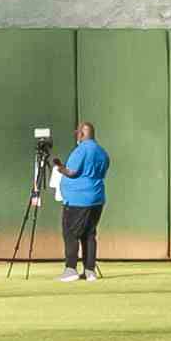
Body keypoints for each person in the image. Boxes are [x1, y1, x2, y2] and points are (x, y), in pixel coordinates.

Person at [52, 118, 110, 283]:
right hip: (97, 198)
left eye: (78, 132)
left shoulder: (81, 150)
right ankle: (90, 271)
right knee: (89, 234)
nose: (77, 135)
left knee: (71, 233)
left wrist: (59, 167)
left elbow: (72, 172)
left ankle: (70, 269)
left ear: (83, 133)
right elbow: (103, 171)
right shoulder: (102, 152)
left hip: (78, 200)